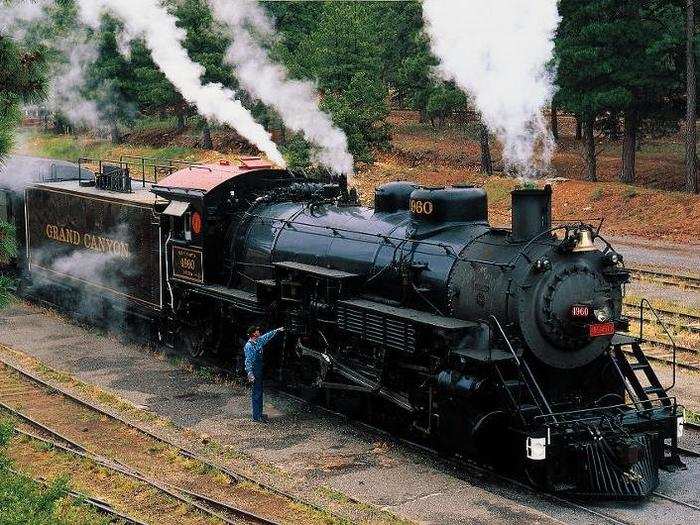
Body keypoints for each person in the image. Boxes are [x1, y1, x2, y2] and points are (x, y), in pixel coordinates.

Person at [243, 325, 284, 422]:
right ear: (253, 333)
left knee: (259, 392)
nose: (259, 332)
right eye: (257, 331)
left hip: (259, 368)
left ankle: (259, 414)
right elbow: (248, 361)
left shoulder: (258, 341)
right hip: (254, 369)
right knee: (256, 393)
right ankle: (256, 417)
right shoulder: (249, 346)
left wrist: (276, 330)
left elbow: (267, 336)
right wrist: (250, 373)